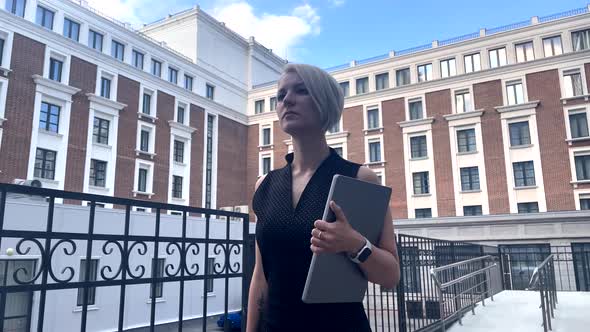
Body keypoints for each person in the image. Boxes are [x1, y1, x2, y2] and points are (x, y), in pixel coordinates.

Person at [247, 63, 400, 332]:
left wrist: (355, 244)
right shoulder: (264, 186)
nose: (287, 100)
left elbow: (390, 276)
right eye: (281, 95)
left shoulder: (359, 179)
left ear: (324, 102)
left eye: (301, 90)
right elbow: (260, 278)